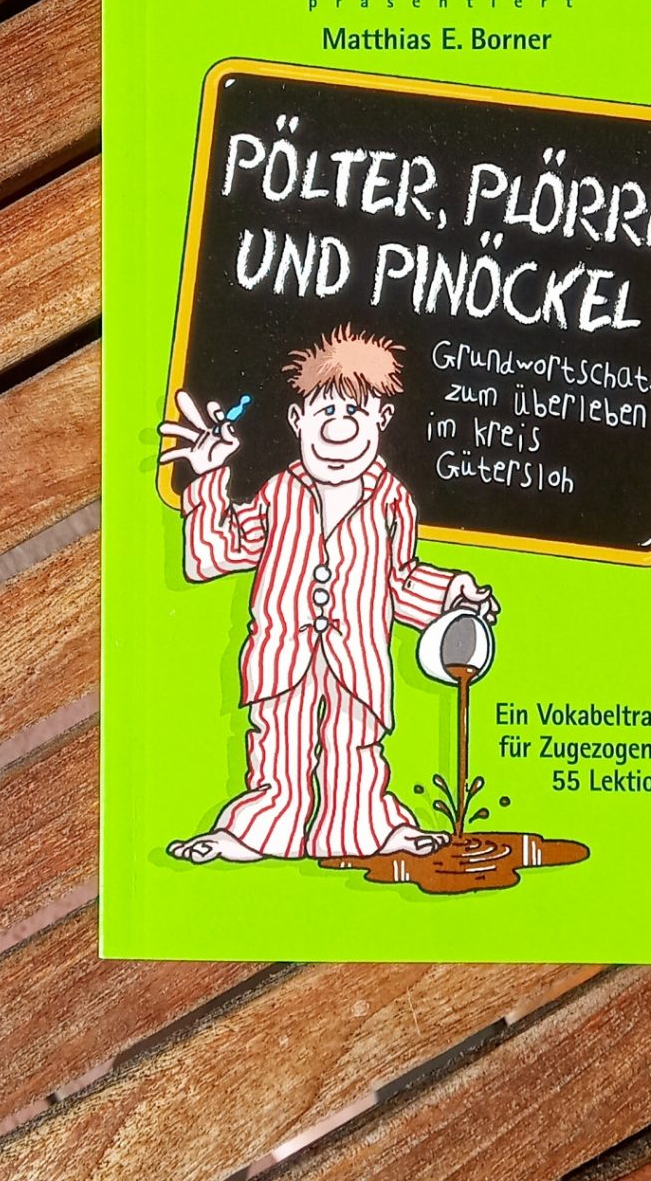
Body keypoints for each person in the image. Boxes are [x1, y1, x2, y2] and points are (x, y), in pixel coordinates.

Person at [159, 325, 497, 863]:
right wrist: (207, 477)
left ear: (382, 419)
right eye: (327, 411)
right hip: (282, 656)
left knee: (355, 749)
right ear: (298, 420)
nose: (340, 428)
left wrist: (454, 594)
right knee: (277, 746)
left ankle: (368, 829)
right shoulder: (279, 494)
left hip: (357, 660)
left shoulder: (391, 502)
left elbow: (399, 580)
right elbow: (210, 557)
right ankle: (255, 831)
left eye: (356, 412)